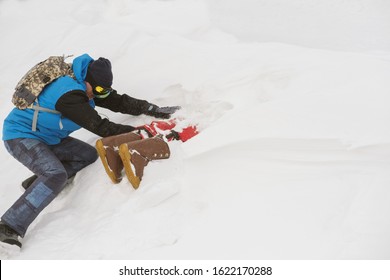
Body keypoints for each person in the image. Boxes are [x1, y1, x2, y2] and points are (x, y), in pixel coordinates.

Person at [0, 53, 180, 249]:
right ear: (87, 81)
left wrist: (153, 109)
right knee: (55, 174)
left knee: (87, 155)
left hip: (47, 137)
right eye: (98, 89)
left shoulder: (88, 86)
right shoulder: (68, 94)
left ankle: (38, 183)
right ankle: (9, 226)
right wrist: (141, 131)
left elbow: (119, 102)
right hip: (20, 136)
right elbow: (101, 127)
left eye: (103, 90)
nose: (98, 94)